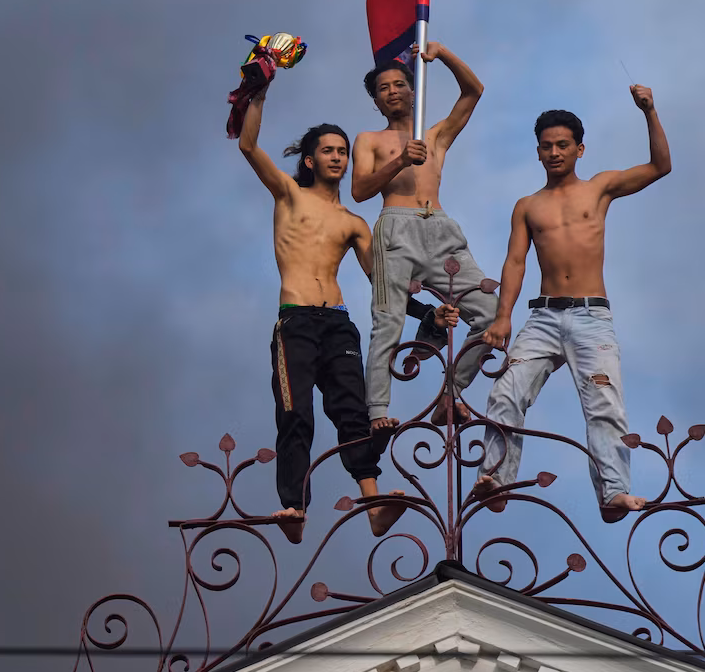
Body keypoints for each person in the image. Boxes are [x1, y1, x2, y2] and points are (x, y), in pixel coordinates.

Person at [237, 72, 456, 543]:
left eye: (342, 151)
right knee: (296, 413)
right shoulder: (289, 195)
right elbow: (249, 147)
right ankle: (294, 508)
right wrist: (259, 93)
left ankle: (374, 507)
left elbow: (384, 283)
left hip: (337, 323)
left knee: (353, 413)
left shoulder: (355, 223)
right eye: (328, 151)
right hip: (296, 321)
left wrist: (426, 314)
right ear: (310, 160)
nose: (338, 157)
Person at [470, 85, 673, 522]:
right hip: (542, 317)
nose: (554, 153)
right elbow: (515, 261)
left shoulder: (599, 188)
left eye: (563, 145)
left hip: (590, 316)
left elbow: (661, 166)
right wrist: (503, 317)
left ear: (580, 149)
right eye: (547, 146)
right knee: (505, 391)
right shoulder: (528, 206)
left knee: (604, 402)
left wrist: (649, 111)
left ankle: (614, 492)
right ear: (537, 152)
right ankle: (496, 480)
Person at [352, 42, 497, 427]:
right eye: (383, 89)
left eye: (399, 84)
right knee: (388, 321)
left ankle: (451, 393)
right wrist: (400, 160)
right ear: (376, 102)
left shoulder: (435, 137)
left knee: (490, 313)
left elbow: (474, 91)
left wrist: (442, 53)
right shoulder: (369, 140)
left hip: (439, 227)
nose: (392, 92)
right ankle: (377, 412)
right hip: (396, 227)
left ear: (414, 91)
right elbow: (359, 190)